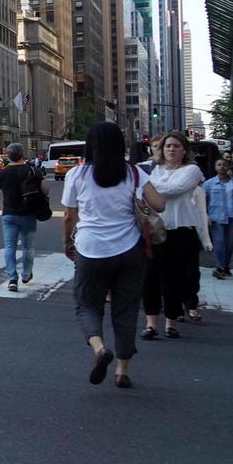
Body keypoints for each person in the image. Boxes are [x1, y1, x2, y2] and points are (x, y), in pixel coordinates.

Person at [63, 122, 166, 390]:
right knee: (126, 309)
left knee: (87, 305)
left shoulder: (77, 174)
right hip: (130, 249)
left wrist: (68, 244)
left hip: (90, 249)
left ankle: (98, 347)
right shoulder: (133, 172)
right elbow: (160, 205)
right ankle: (122, 370)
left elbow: (69, 215)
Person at [142, 132, 212, 340]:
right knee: (150, 278)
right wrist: (147, 189)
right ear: (161, 150)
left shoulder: (192, 170)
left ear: (184, 151)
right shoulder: (154, 170)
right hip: (156, 230)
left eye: (176, 146)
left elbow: (175, 189)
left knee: (175, 278)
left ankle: (171, 322)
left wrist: (149, 189)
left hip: (182, 231)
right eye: (168, 146)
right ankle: (151, 324)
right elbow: (142, 192)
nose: (171, 149)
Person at [0, 142, 48, 291]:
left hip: (9, 215)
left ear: (8, 156)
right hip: (28, 214)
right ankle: (26, 274)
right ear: (22, 154)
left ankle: (12, 279)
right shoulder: (33, 170)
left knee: (10, 247)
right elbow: (46, 190)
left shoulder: (1, 173)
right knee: (28, 247)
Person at [205, 159, 233, 282]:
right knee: (219, 242)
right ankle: (219, 267)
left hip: (232, 216)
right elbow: (202, 201)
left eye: (224, 165)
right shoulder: (209, 184)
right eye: (218, 164)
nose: (222, 167)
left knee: (229, 244)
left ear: (229, 166)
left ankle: (225, 266)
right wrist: (205, 216)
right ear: (215, 167)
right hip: (216, 217)